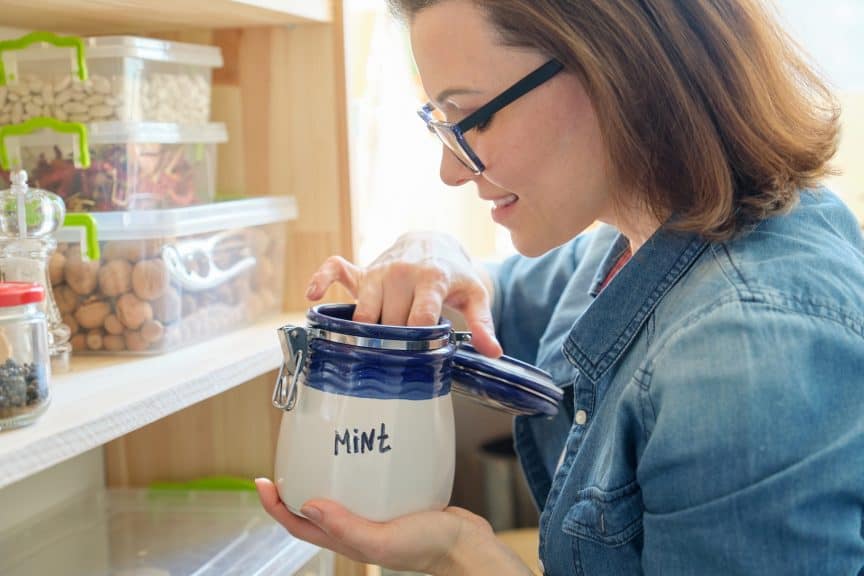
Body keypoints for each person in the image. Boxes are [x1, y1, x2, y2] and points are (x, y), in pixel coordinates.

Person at [255, 0, 864, 573]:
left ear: (616, 65)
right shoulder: (632, 238)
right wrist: (434, 251)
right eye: (443, 123)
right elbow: (495, 297)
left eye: (471, 117)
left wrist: (461, 554)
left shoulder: (744, 347)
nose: (449, 169)